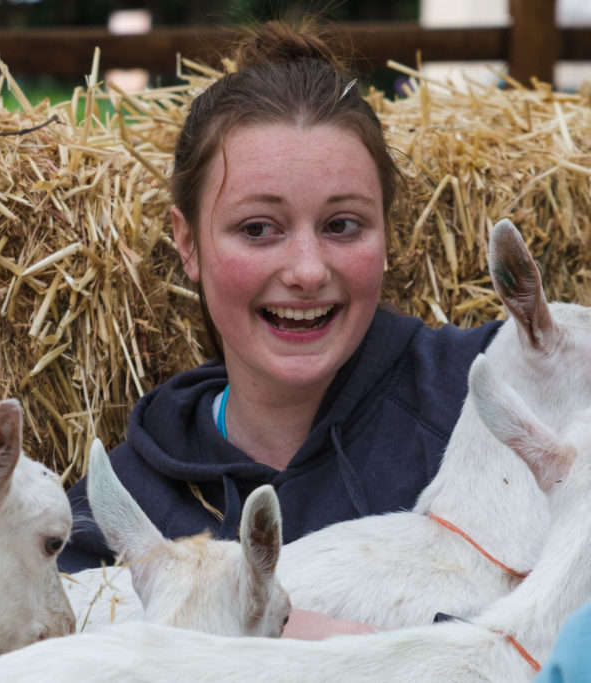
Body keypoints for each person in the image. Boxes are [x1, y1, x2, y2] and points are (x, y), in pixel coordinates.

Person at [57, 20, 502, 639]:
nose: (307, 270)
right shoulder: (122, 508)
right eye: (258, 228)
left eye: (342, 225)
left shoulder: (489, 394)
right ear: (188, 243)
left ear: (387, 232)